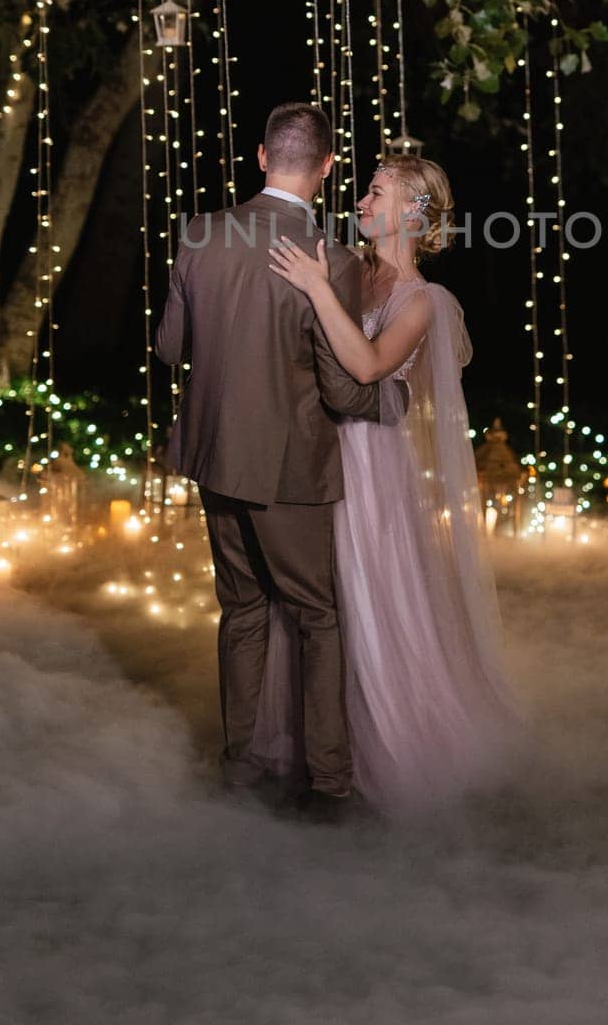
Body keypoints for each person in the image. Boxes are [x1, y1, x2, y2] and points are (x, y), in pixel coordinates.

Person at [155, 102, 407, 818]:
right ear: (327, 169)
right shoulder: (330, 257)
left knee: (240, 608)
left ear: (263, 157)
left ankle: (238, 766)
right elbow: (338, 383)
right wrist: (396, 402)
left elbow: (172, 348)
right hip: (285, 466)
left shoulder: (200, 232)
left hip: (210, 455)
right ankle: (328, 784)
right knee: (316, 615)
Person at [266, 153, 517, 813]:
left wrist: (318, 290)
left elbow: (373, 364)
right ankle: (317, 745)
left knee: (363, 593)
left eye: (377, 193)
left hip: (371, 462)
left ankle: (382, 746)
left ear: (412, 210)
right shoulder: (351, 275)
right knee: (311, 598)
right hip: (317, 451)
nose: (361, 201)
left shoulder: (425, 300)